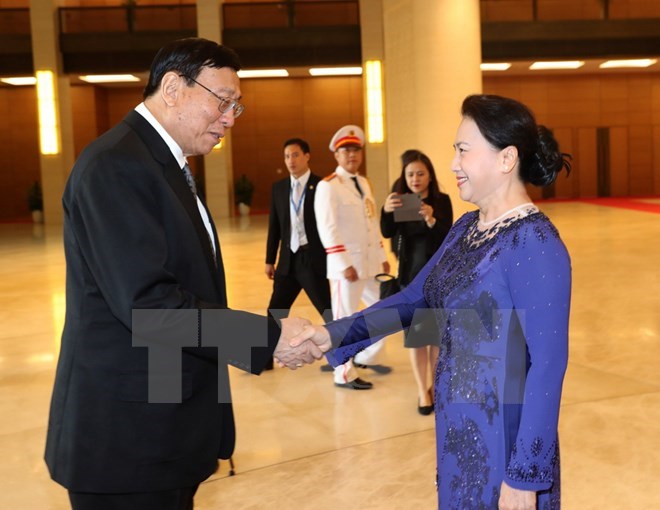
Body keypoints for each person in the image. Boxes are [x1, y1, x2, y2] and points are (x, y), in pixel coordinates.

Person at [44, 38, 321, 510]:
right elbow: (149, 306)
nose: (231, 118)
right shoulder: (115, 166)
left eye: (238, 106)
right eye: (223, 102)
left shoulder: (162, 164)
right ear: (173, 87)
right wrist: (266, 336)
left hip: (164, 427)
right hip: (127, 444)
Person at [292, 94, 572, 509]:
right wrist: (328, 335)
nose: (454, 164)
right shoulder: (465, 229)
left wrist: (524, 477)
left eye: (463, 150)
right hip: (458, 430)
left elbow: (548, 366)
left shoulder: (534, 242)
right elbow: (411, 300)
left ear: (506, 158)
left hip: (503, 441)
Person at [314, 125, 392, 389]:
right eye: (346, 150)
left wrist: (381, 255)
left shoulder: (364, 183)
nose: (352, 155)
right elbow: (327, 228)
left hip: (369, 263)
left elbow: (371, 221)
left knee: (383, 313)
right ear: (337, 155)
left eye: (356, 150)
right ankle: (344, 373)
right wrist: (343, 263)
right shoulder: (328, 187)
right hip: (346, 267)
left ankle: (364, 355)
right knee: (344, 321)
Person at [380, 149, 453, 414]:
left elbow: (448, 238)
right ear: (404, 176)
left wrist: (432, 218)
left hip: (437, 279)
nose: (415, 178)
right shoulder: (399, 201)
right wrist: (386, 211)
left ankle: (434, 386)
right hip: (410, 279)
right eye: (410, 174)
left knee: (434, 339)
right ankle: (422, 391)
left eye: (421, 173)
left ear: (430, 176)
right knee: (416, 339)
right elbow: (387, 232)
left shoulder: (441, 201)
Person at [264, 138, 332, 369]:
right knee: (275, 311)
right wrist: (269, 260)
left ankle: (342, 356)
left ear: (307, 156)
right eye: (286, 156)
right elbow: (274, 227)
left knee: (329, 310)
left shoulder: (322, 185)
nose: (290, 161)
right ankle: (264, 358)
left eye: (295, 155)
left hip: (312, 260)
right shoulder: (279, 188)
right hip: (287, 260)